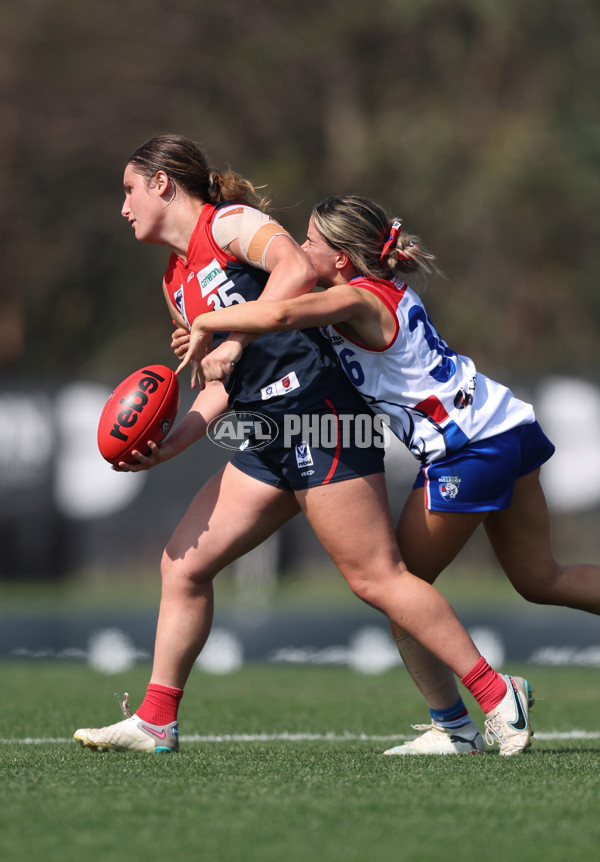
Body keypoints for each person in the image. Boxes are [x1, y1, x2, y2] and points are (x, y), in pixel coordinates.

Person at [73, 138, 532, 756]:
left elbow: (293, 269)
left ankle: (495, 693)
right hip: (265, 433)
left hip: (321, 416)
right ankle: (155, 722)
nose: (123, 206)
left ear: (161, 183)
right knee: (182, 565)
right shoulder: (175, 284)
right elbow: (219, 386)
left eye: (129, 189)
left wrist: (229, 333)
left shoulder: (230, 224)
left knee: (377, 578)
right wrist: (169, 445)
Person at [172, 193, 600, 756]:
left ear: (343, 259)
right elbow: (282, 323)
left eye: (311, 242)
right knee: (540, 578)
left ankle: (483, 707)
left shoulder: (356, 298)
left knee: (392, 587)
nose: (299, 250)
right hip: (508, 426)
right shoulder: (370, 292)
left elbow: (278, 314)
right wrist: (214, 333)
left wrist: (208, 318)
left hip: (467, 450)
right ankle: (455, 725)